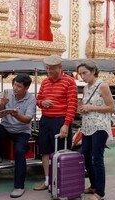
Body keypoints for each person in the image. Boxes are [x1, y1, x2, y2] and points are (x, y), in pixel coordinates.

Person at [33, 55, 78, 191]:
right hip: (46, 120)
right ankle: (47, 181)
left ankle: (60, 181)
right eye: (47, 69)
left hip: (60, 120)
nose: (49, 71)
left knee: (60, 152)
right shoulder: (45, 82)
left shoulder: (69, 82)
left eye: (52, 69)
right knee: (45, 151)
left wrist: (66, 124)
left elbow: (72, 105)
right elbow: (38, 100)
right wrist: (42, 102)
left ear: (60, 67)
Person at [0, 74, 36, 198]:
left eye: (19, 86)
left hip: (22, 131)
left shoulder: (31, 99)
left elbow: (27, 119)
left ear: (26, 88)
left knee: (20, 151)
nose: (15, 88)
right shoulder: (6, 93)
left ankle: (19, 186)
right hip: (6, 126)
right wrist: (2, 104)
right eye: (15, 84)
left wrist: (16, 115)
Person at [77, 60, 115, 200]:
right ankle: (93, 185)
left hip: (100, 126)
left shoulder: (103, 85)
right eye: (80, 74)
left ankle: (100, 192)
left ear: (93, 71)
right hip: (87, 126)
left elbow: (112, 108)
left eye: (85, 73)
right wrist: (82, 108)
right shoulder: (86, 88)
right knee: (85, 155)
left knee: (97, 158)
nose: (83, 76)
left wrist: (91, 107)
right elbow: (86, 105)